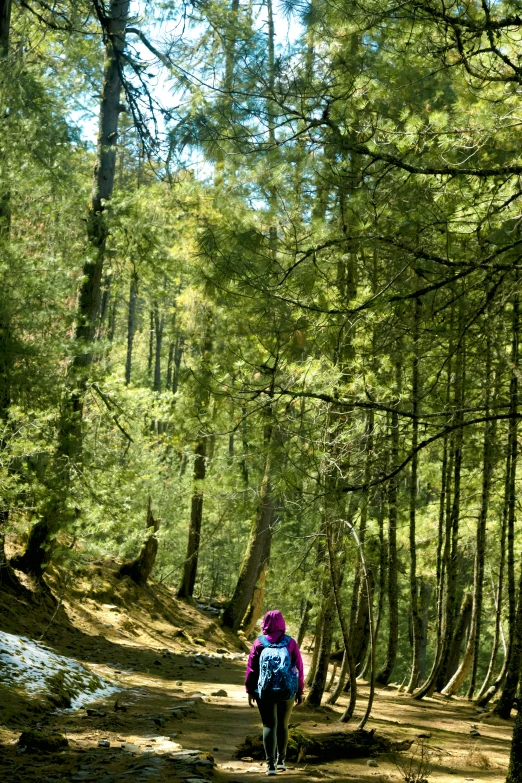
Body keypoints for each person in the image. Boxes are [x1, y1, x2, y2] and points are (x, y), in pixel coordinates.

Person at [245, 610, 305, 776]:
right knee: (283, 725)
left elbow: (251, 669)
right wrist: (299, 690)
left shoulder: (259, 643)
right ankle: (281, 761)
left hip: (264, 691)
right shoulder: (290, 642)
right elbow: (298, 668)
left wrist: (250, 690)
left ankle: (270, 765)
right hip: (287, 691)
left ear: (265, 623)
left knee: (269, 725)